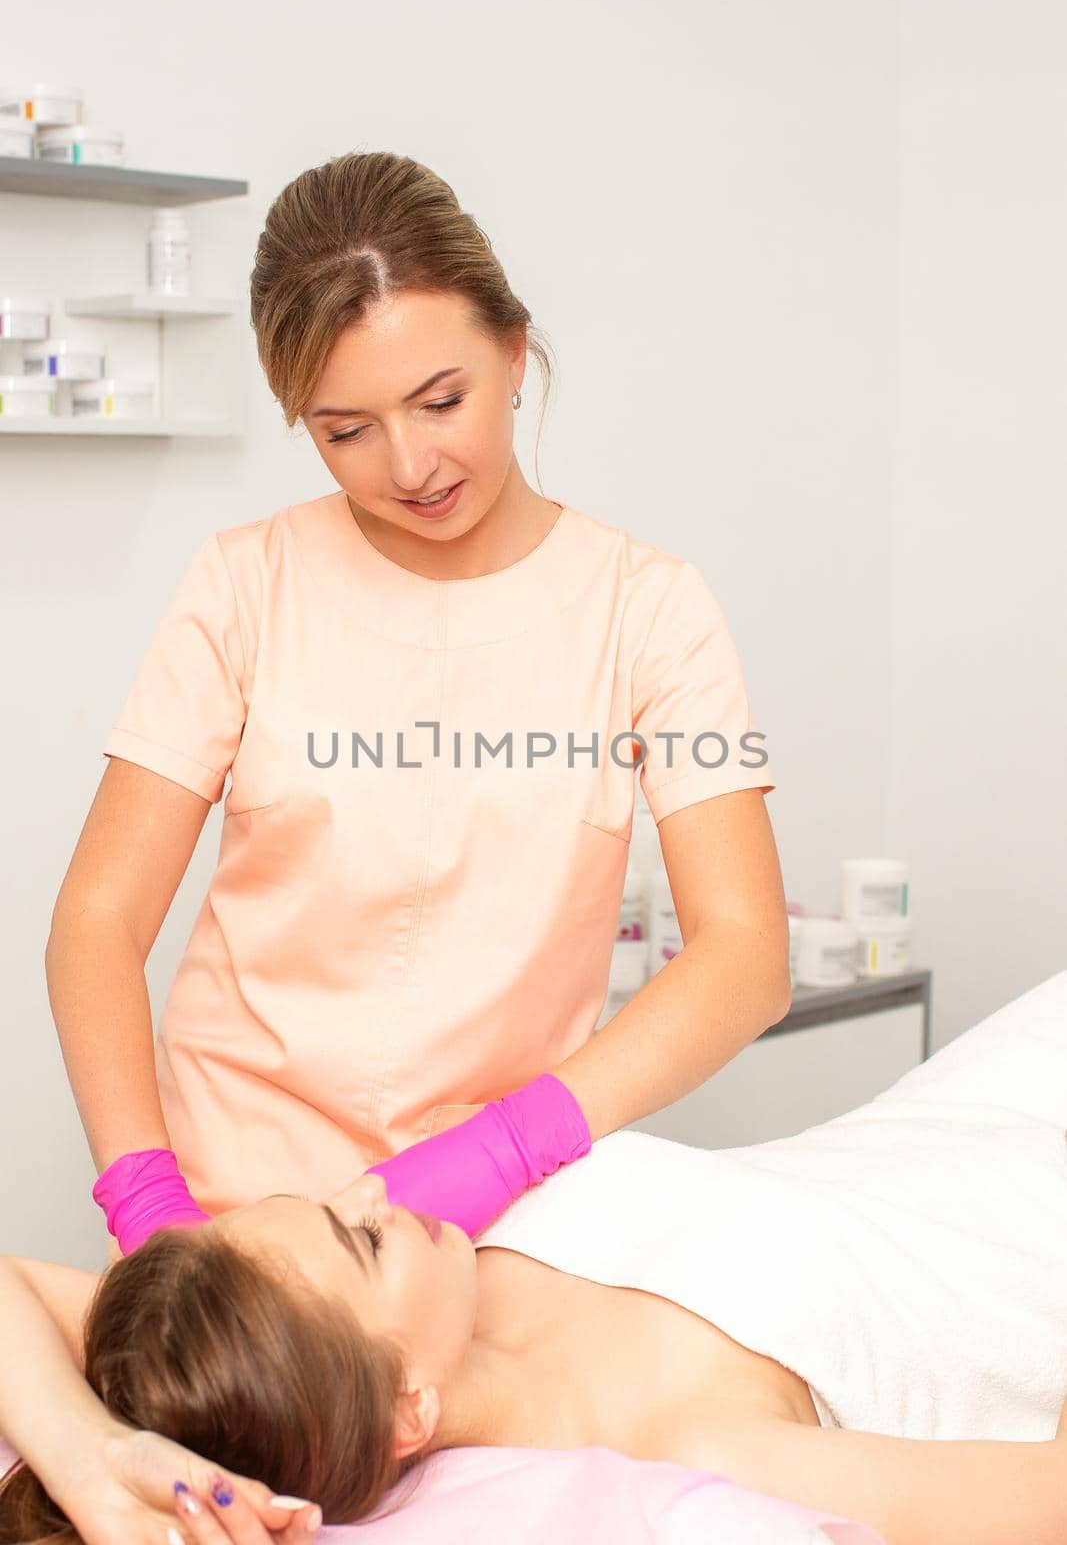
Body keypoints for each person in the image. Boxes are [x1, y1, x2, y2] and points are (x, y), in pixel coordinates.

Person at [44, 149, 788, 1264]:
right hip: (231, 1208)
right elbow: (96, 922)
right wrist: (152, 1206)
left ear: (514, 353)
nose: (410, 464)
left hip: (484, 1230)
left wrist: (503, 1150)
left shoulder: (650, 609)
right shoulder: (245, 581)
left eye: (442, 400)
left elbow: (743, 953)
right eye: (345, 430)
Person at [3, 970, 1066, 1545]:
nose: (375, 1186)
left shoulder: (347, 1317)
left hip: (976, 1102)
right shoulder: (701, 1445)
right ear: (407, 1410)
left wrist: (93, 1455)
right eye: (357, 1234)